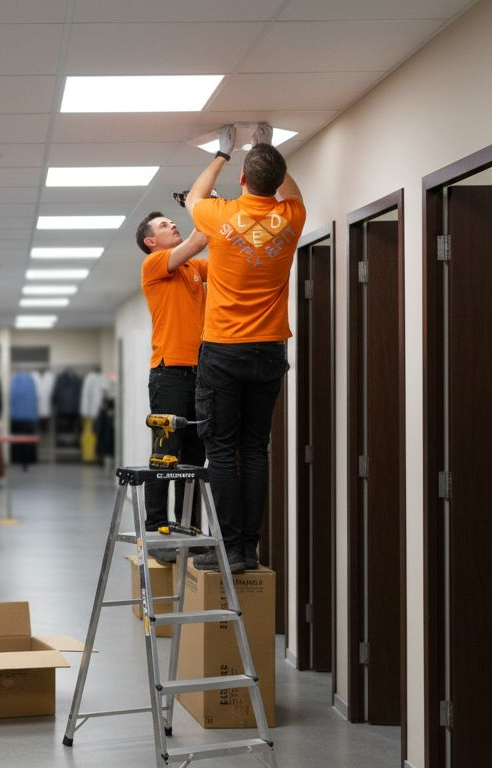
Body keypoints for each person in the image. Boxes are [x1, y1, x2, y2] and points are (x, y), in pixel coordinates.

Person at [185, 123, 306, 573]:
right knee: (256, 449)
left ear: (241, 181)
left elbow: (197, 196)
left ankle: (228, 549)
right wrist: (266, 146)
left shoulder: (221, 216)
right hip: (268, 350)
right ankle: (246, 549)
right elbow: (288, 187)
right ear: (277, 184)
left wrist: (221, 152)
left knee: (221, 449)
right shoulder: (292, 216)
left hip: (223, 350)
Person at [136, 208, 209, 563]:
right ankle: (157, 528)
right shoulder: (154, 264)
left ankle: (189, 530)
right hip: (168, 373)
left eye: (172, 221)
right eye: (164, 225)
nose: (172, 225)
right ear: (151, 242)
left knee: (195, 457)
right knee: (167, 455)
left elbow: (222, 259)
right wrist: (207, 209)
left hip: (201, 372)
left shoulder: (193, 269)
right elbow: (199, 239)